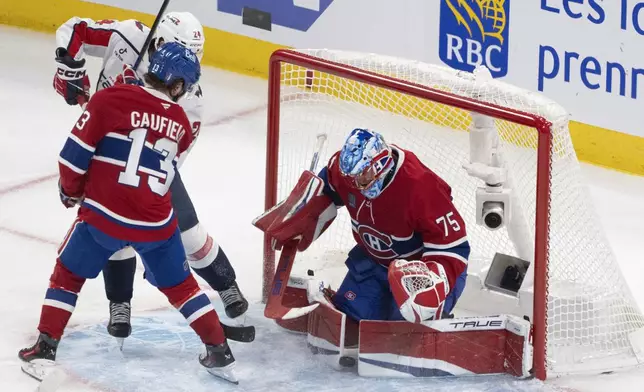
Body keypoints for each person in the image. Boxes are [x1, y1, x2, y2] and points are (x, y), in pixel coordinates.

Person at [19, 42, 237, 384]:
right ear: (177, 85)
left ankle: (46, 346)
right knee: (182, 287)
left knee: (68, 274)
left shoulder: (110, 99)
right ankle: (219, 349)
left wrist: (73, 191)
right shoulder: (181, 121)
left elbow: (72, 155)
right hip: (157, 222)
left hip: (105, 215)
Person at [52, 11, 248, 341]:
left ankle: (227, 285)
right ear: (158, 43)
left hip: (152, 165)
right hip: (102, 152)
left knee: (188, 233)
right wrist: (69, 70)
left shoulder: (190, 97)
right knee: (108, 229)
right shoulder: (128, 36)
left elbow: (173, 158)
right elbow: (75, 30)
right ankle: (120, 304)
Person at [256, 128, 471, 323]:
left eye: (363, 175)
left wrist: (429, 285)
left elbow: (454, 249)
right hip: (374, 261)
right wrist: (302, 213)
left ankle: (434, 315)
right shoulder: (345, 172)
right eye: (352, 177)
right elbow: (328, 189)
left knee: (400, 334)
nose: (356, 183)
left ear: (380, 164)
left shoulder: (421, 188)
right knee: (351, 320)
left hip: (418, 273)